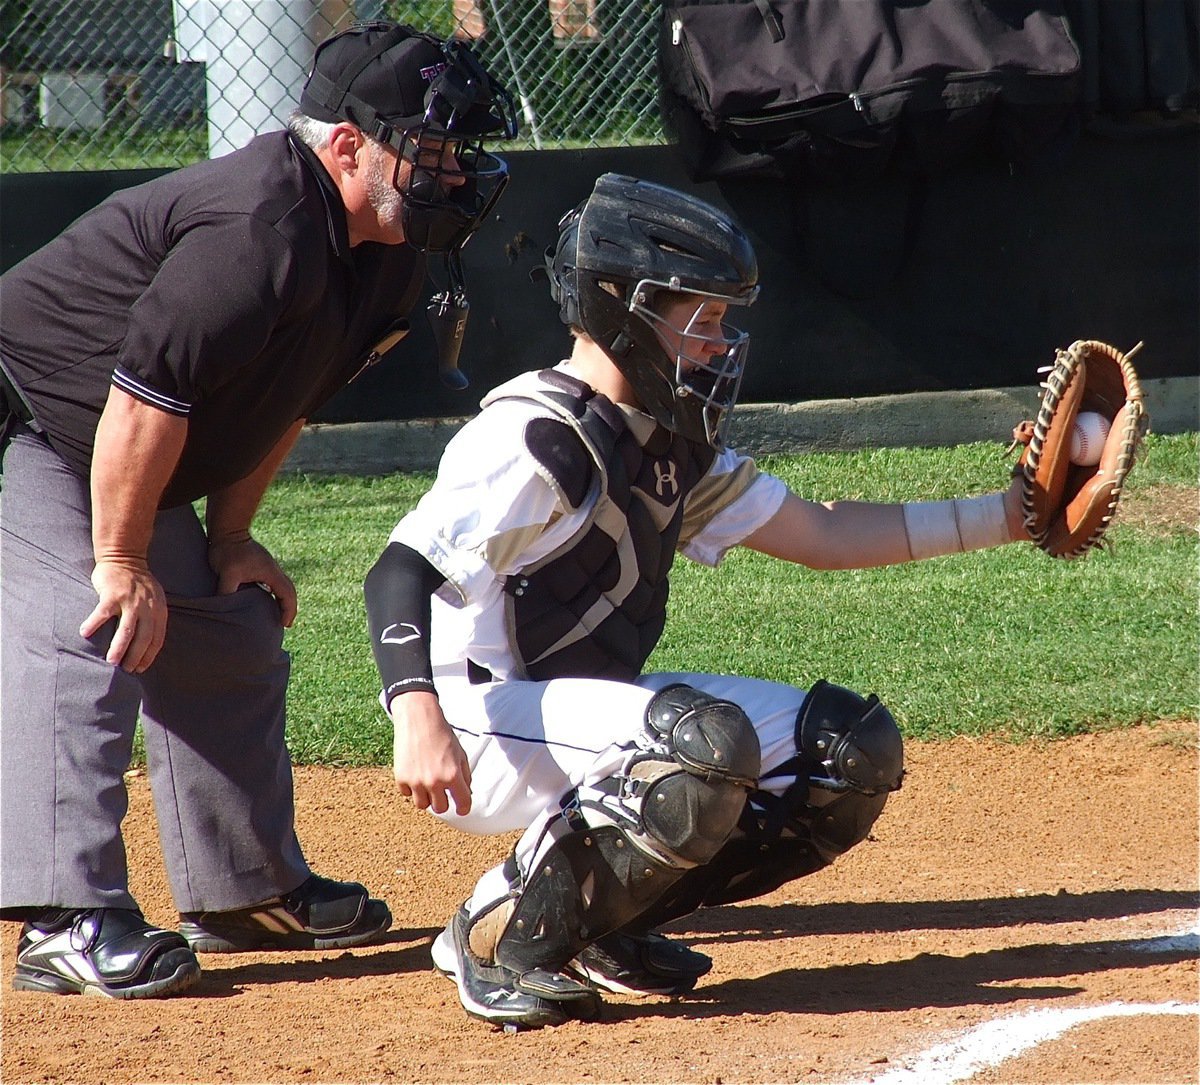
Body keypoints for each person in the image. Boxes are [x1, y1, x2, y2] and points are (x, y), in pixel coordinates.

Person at [363, 172, 1032, 1030]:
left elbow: (820, 534)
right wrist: (416, 715)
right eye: (703, 320)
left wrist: (1006, 518)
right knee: (707, 747)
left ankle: (605, 920)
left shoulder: (668, 438)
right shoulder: (532, 438)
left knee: (846, 753)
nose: (719, 344)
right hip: (476, 726)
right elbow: (398, 567)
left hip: (578, 718)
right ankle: (492, 933)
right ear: (624, 309)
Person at [0, 20, 517, 999]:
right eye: (432, 151)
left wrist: (229, 537)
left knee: (226, 628)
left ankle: (243, 889)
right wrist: (120, 556)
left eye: (456, 153)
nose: (451, 176)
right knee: (97, 620)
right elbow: (144, 391)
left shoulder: (386, 251)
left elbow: (289, 396)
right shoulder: (259, 228)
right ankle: (63, 918)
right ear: (348, 143)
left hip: (113, 436)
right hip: (39, 417)